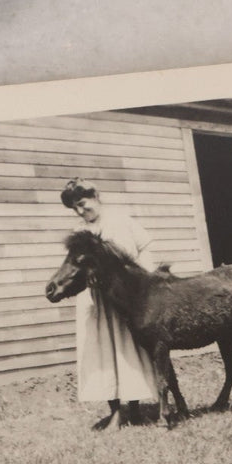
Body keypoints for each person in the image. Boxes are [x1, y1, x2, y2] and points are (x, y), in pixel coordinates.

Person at [60, 178, 159, 429]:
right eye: (75, 209)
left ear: (96, 196)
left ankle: (134, 407)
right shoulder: (79, 233)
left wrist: (143, 281)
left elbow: (145, 248)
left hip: (126, 300)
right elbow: (73, 266)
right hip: (95, 302)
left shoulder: (121, 220)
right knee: (102, 352)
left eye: (83, 204)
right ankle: (116, 411)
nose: (81, 212)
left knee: (128, 349)